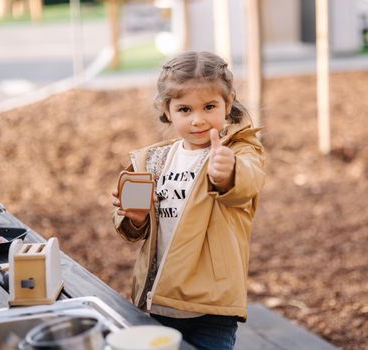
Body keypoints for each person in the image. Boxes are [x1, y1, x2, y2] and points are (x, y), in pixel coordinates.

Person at [112, 51, 265, 350]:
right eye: (184, 109)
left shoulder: (239, 152)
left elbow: (247, 183)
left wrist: (227, 172)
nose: (198, 120)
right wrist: (136, 217)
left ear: (228, 103)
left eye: (209, 106)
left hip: (212, 308)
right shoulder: (153, 160)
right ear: (166, 109)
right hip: (159, 301)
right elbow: (134, 230)